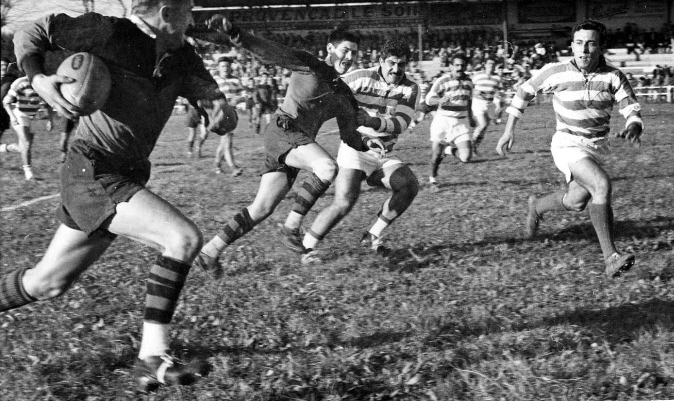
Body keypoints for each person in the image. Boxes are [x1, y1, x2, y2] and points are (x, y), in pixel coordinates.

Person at [0, 0, 236, 391]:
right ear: (167, 12)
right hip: (92, 169)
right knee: (181, 239)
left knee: (47, 282)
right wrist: (37, 77)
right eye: (188, 10)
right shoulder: (107, 31)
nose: (192, 17)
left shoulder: (183, 55)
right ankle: (153, 357)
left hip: (121, 173)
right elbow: (29, 32)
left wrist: (218, 108)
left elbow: (214, 103)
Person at [195, 20, 384, 274]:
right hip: (283, 131)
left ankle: (210, 252)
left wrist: (366, 141)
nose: (349, 57)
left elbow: (350, 135)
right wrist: (237, 34)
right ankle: (291, 228)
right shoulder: (309, 65)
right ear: (330, 48)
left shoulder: (343, 93)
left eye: (354, 53)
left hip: (297, 144)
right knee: (327, 168)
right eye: (344, 50)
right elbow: (269, 51)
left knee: (261, 208)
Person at [496, 19, 642, 278]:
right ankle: (611, 258)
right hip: (567, 143)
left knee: (576, 202)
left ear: (600, 47)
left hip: (596, 146)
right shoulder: (556, 71)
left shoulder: (613, 76)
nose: (584, 49)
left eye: (591, 44)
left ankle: (537, 206)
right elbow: (524, 92)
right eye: (579, 43)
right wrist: (509, 130)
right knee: (601, 185)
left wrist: (634, 126)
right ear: (572, 46)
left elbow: (630, 107)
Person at [296, 38, 420, 257]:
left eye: (401, 64)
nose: (396, 69)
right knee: (344, 202)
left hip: (383, 153)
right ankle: (307, 248)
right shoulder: (360, 77)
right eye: (391, 63)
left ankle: (372, 235)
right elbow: (329, 90)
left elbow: (401, 124)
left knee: (408, 185)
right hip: (356, 148)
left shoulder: (410, 88)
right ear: (381, 61)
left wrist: (370, 121)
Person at [425, 52, 475, 187]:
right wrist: (440, 100)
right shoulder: (443, 81)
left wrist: (471, 118)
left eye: (462, 65)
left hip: (461, 122)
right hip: (443, 121)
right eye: (456, 65)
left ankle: (449, 150)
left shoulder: (469, 82)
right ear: (451, 66)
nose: (459, 68)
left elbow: (468, 101)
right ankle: (433, 178)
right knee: (436, 156)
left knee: (466, 157)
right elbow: (429, 99)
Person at [2, 74, 54, 180]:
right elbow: (6, 102)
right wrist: (12, 116)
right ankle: (28, 173)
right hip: (19, 116)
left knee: (23, 148)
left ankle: (2, 148)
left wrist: (50, 120)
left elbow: (47, 104)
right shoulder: (20, 82)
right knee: (26, 145)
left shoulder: (40, 83)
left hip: (31, 118)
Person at [213, 57, 244, 176]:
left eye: (227, 66)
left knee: (224, 140)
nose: (225, 68)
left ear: (230, 67)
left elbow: (244, 94)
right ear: (218, 68)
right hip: (218, 114)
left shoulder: (236, 80)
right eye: (222, 66)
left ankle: (217, 164)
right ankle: (233, 168)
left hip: (232, 114)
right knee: (227, 139)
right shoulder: (214, 80)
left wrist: (239, 98)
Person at [470, 58, 503, 154]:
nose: (491, 65)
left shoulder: (497, 78)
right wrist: (474, 91)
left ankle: (474, 147)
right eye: (489, 63)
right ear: (485, 64)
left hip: (489, 104)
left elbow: (497, 93)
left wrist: (498, 105)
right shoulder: (477, 75)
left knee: (484, 127)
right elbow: (469, 87)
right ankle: (471, 145)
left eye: (493, 64)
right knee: (483, 124)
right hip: (477, 102)